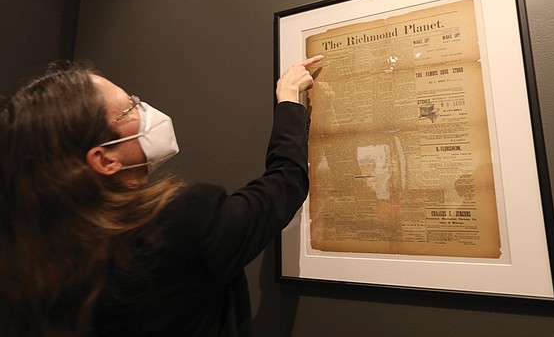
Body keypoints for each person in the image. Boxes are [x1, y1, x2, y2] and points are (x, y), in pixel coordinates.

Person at [0, 55, 322, 336]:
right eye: (130, 107)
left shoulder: (31, 260)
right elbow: (284, 183)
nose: (143, 110)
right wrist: (289, 97)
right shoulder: (182, 224)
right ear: (104, 159)